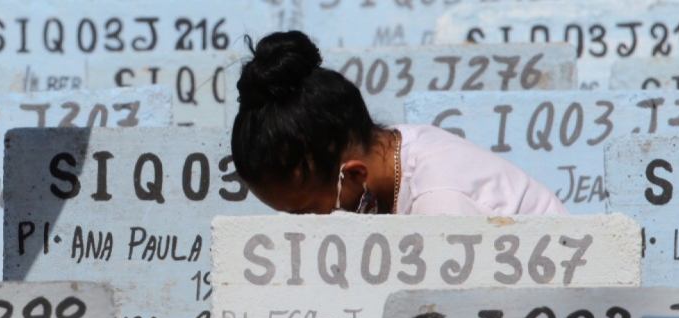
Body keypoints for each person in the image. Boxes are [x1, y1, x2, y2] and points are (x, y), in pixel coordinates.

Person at [231, 31, 568, 216]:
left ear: (353, 174)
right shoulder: (394, 150)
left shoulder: (440, 204)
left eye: (305, 214)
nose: (296, 232)